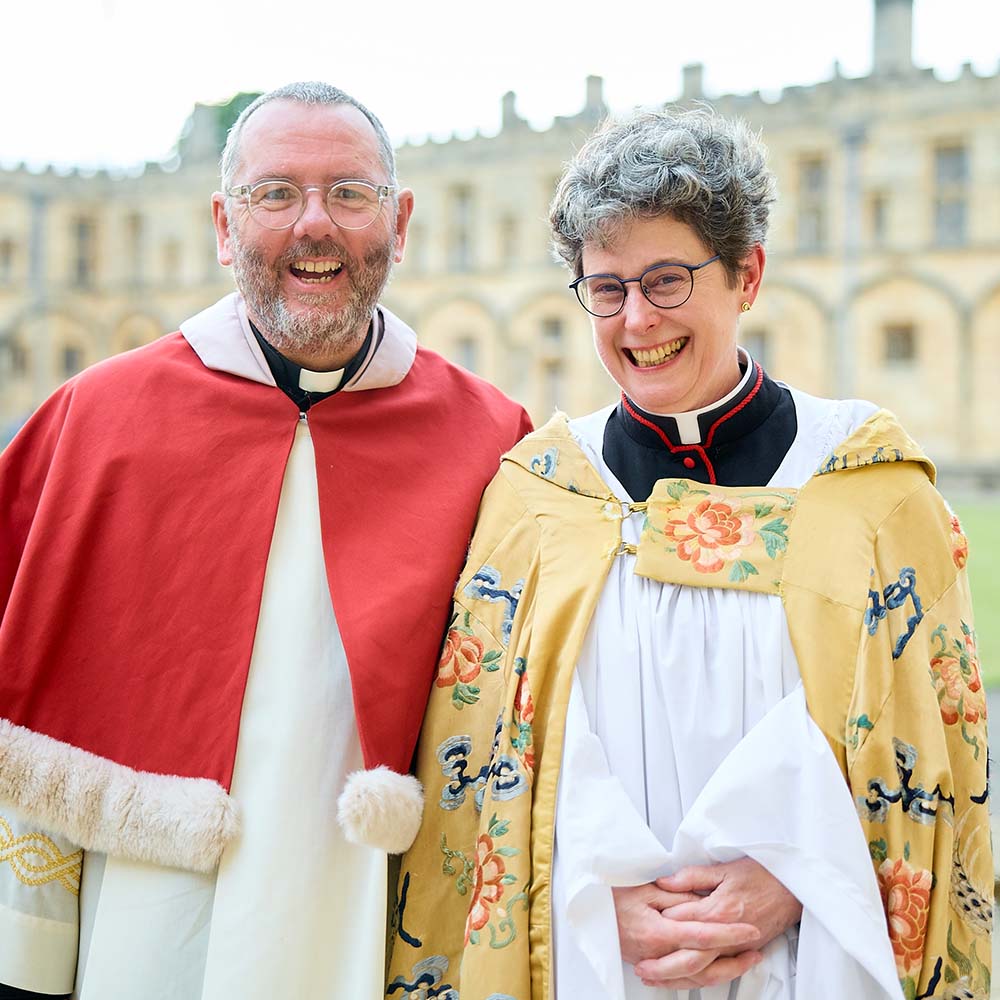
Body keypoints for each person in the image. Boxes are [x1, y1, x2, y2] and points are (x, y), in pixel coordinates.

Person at [386, 108, 992, 1000]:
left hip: (811, 955)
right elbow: (480, 763)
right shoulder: (537, 497)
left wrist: (801, 875)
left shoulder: (870, 493)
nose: (636, 320)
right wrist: (588, 886)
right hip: (595, 960)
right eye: (606, 289)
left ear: (746, 274)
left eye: (667, 280)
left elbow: (934, 770)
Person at [0, 82, 531, 1000]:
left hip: (378, 906)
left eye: (350, 194)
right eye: (275, 193)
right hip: (147, 905)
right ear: (222, 222)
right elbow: (29, 706)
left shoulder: (491, 438)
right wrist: (26, 946)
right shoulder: (100, 417)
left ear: (398, 221)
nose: (313, 225)